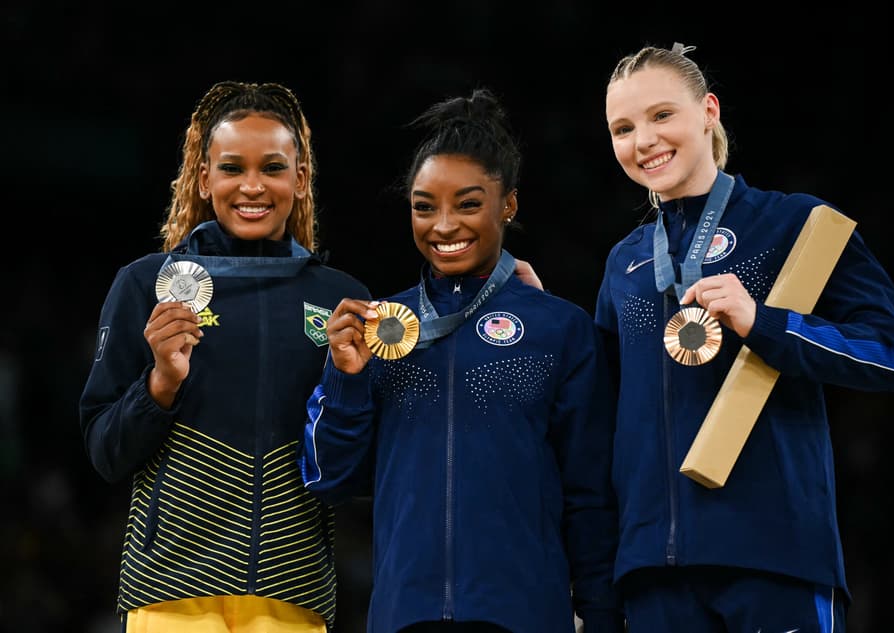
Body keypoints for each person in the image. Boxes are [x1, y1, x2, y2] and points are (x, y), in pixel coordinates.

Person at [595, 42, 894, 632]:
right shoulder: (626, 262)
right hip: (652, 574)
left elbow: (892, 353)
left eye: (661, 115)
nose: (643, 140)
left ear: (709, 112)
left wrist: (765, 323)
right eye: (623, 127)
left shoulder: (795, 224)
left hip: (776, 556)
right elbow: (600, 413)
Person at [298, 88, 624, 633]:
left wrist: (602, 616)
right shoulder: (377, 329)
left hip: (523, 615)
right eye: (424, 207)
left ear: (509, 205)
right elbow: (330, 479)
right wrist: (346, 379)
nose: (444, 226)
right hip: (406, 615)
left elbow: (590, 496)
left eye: (468, 204)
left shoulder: (561, 330)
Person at [78, 80, 372, 632]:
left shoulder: (341, 300)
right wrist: (161, 382)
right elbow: (104, 452)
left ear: (301, 180)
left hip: (295, 590)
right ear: (205, 177)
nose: (252, 186)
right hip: (172, 591)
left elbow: (356, 470)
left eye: (273, 168)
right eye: (233, 168)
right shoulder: (148, 284)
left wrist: (350, 385)